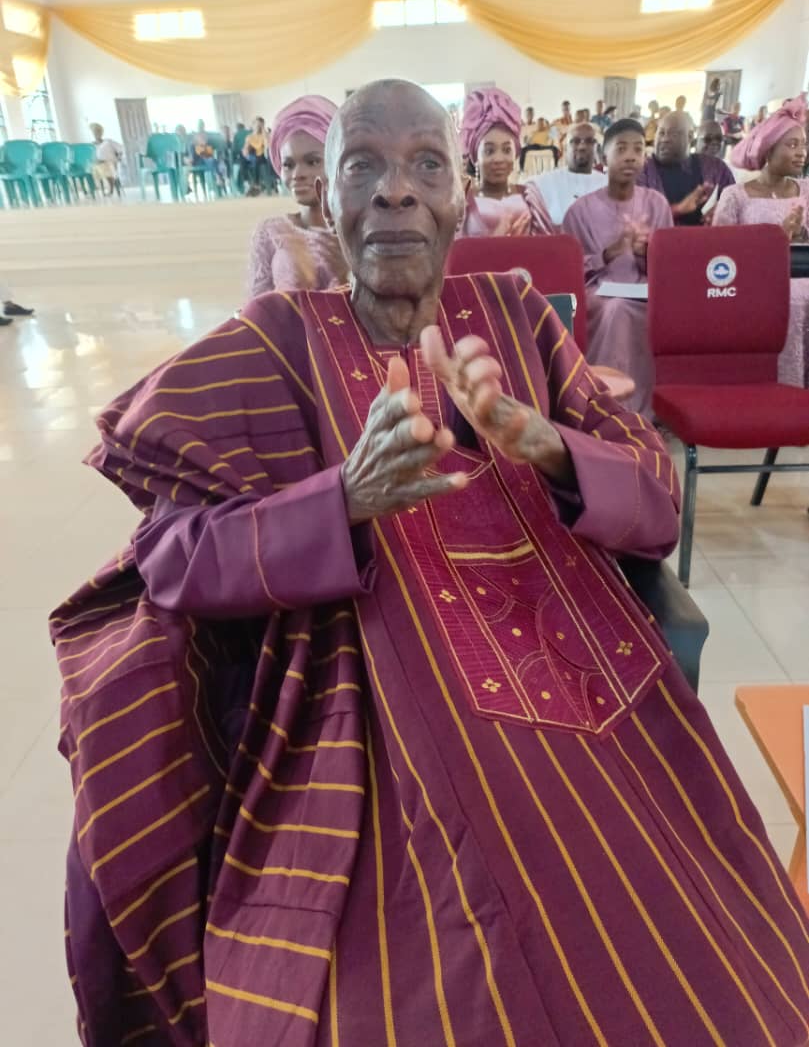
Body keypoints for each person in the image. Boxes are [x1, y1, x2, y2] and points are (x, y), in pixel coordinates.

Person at [52, 79, 809, 1046]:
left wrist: (546, 446)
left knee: (711, 981)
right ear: (324, 198)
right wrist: (340, 499)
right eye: (361, 165)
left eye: (425, 165)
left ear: (460, 196)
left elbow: (654, 498)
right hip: (357, 710)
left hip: (586, 691)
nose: (395, 190)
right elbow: (169, 558)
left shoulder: (516, 316)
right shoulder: (267, 344)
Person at [563, 118, 673, 418]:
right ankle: (608, 405)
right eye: (621, 149)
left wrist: (645, 255)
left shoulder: (657, 204)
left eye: (638, 150)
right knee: (616, 309)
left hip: (646, 290)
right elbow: (569, 269)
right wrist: (609, 252)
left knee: (655, 309)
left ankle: (648, 409)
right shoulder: (580, 210)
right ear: (603, 157)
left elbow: (670, 265)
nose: (630, 157)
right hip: (597, 292)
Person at [715, 96, 809, 387]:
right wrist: (778, 237)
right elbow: (720, 253)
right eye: (792, 145)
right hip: (753, 281)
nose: (801, 153)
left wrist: (802, 234)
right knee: (793, 297)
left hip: (803, 272)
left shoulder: (807, 190)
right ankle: (783, 388)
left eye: (804, 145)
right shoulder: (736, 195)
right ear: (768, 149)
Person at [246, 95, 348, 297]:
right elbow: (255, 307)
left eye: (313, 162)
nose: (297, 174)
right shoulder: (271, 232)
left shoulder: (357, 234)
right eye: (288, 165)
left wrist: (344, 275)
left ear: (338, 162)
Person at [460, 86, 552, 236]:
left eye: (506, 150)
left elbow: (547, 246)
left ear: (516, 153)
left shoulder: (530, 197)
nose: (498, 159)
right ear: (475, 156)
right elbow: (457, 249)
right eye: (489, 151)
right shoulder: (463, 205)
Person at [638, 111, 735, 225]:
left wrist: (720, 210)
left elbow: (735, 199)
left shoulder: (714, 167)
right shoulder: (642, 170)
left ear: (690, 136)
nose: (665, 139)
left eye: (673, 134)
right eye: (661, 133)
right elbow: (635, 216)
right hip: (656, 236)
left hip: (702, 235)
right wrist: (678, 209)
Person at [529, 120, 607, 227]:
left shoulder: (607, 185)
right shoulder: (544, 182)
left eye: (589, 141)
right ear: (565, 148)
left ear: (596, 148)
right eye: (575, 141)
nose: (582, 147)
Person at [239, 116, 271, 196]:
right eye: (256, 124)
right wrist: (245, 152)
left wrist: (263, 130)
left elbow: (267, 145)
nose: (257, 126)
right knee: (242, 157)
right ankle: (246, 182)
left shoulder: (264, 135)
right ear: (253, 125)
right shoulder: (249, 137)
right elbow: (245, 148)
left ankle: (256, 184)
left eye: (259, 125)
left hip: (262, 156)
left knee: (257, 159)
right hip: (252, 156)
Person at [89, 122, 123, 197]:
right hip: (98, 164)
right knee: (92, 168)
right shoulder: (92, 144)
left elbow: (120, 149)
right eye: (94, 133)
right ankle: (92, 189)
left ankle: (111, 189)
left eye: (98, 132)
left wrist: (119, 158)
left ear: (101, 133)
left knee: (105, 167)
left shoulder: (108, 141)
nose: (96, 134)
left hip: (110, 163)